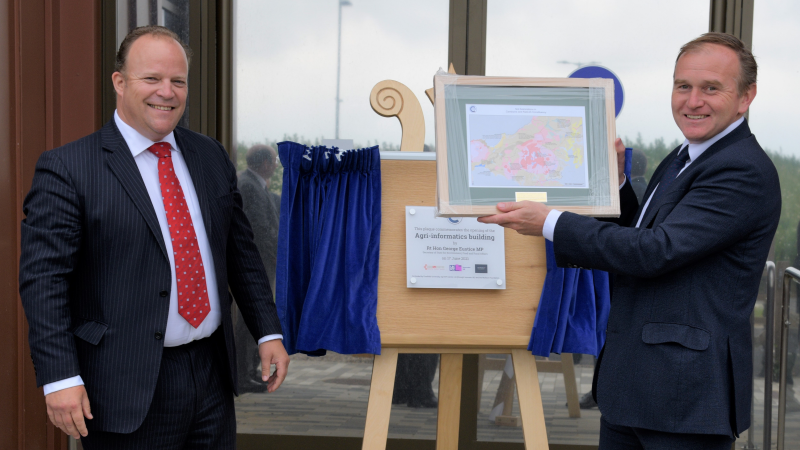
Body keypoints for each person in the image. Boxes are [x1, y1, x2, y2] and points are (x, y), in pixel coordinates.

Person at [479, 32, 780, 449]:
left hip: (683, 401)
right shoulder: (687, 155)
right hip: (635, 389)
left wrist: (551, 222)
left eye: (711, 88)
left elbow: (655, 252)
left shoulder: (740, 170)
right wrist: (617, 181)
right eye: (683, 86)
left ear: (746, 97)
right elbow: (645, 232)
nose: (693, 101)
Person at [18, 26, 289, 449]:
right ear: (120, 82)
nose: (167, 92)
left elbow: (240, 253)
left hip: (211, 375)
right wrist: (59, 376)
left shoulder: (210, 155)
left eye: (177, 81)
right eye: (152, 79)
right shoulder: (69, 168)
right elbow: (44, 283)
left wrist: (267, 332)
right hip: (125, 384)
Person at [235, 144, 282, 393]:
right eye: (273, 161)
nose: (275, 166)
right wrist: (281, 250)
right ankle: (243, 374)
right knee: (248, 320)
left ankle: (248, 371)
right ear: (264, 163)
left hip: (263, 260)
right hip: (259, 261)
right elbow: (261, 229)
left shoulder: (253, 184)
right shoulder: (250, 187)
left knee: (250, 319)